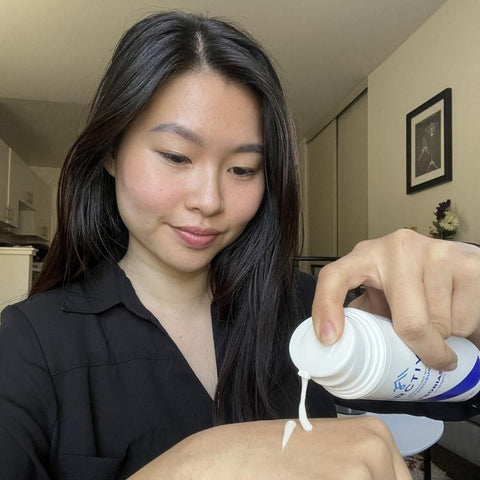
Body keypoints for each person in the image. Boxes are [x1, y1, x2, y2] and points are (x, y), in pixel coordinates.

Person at [0, 11, 479, 480]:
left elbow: (461, 392)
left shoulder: (313, 310)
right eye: (175, 156)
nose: (209, 201)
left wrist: (464, 306)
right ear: (110, 151)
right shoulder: (28, 343)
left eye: (243, 170)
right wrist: (198, 464)